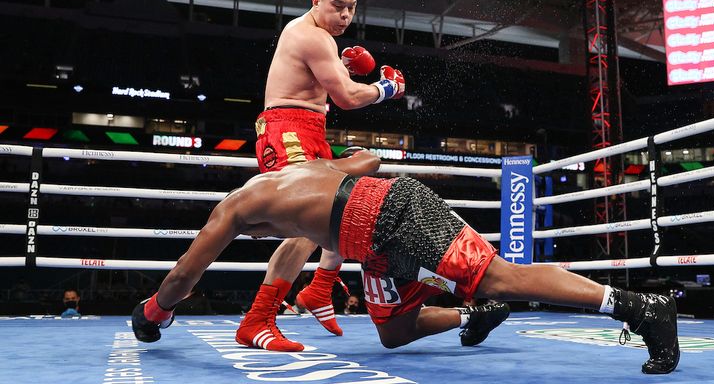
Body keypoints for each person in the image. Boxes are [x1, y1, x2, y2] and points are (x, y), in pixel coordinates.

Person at [132, 151, 680, 374]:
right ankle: (474, 314)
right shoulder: (295, 173)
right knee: (393, 332)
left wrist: (154, 312)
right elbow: (368, 159)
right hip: (373, 240)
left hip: (388, 220)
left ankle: (638, 305)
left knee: (501, 276)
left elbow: (184, 276)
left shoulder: (234, 208)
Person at [240, 0, 406, 351]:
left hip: (310, 129)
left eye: (351, 8)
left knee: (345, 207)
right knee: (304, 223)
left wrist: (343, 67)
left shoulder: (322, 40)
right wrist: (387, 88)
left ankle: (320, 288)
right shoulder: (311, 36)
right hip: (287, 131)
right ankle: (258, 318)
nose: (346, 15)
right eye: (338, 6)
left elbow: (318, 86)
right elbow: (346, 98)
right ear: (316, 0)